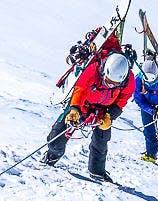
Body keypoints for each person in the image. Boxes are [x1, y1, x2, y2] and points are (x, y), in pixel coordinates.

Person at [43, 43, 137, 181]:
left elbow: (123, 99)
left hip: (104, 111)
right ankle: (52, 155)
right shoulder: (93, 69)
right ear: (104, 71)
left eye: (114, 84)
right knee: (60, 131)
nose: (110, 85)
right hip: (83, 105)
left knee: (102, 139)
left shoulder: (129, 80)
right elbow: (80, 88)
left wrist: (110, 116)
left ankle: (97, 172)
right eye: (109, 80)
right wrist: (74, 108)